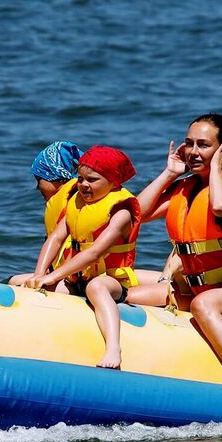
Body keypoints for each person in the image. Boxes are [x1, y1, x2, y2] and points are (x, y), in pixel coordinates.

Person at [126, 114, 222, 387]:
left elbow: (221, 206)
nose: (193, 152)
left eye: (203, 145)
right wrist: (170, 173)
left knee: (204, 304)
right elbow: (137, 212)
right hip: (203, 289)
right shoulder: (185, 187)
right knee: (132, 295)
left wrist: (217, 169)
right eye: (189, 144)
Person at [18, 145, 140, 369]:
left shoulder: (121, 213)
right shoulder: (76, 204)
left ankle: (113, 346)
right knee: (20, 281)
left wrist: (53, 276)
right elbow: (55, 239)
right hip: (76, 280)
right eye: (80, 178)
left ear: (113, 182)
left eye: (92, 180)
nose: (84, 185)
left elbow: (94, 252)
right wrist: (39, 275)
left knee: (97, 287)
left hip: (110, 279)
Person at [26, 140, 82, 279]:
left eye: (40, 180)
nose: (37, 187)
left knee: (14, 282)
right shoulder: (69, 199)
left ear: (57, 177)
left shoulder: (77, 204)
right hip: (62, 275)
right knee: (13, 280)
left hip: (76, 279)